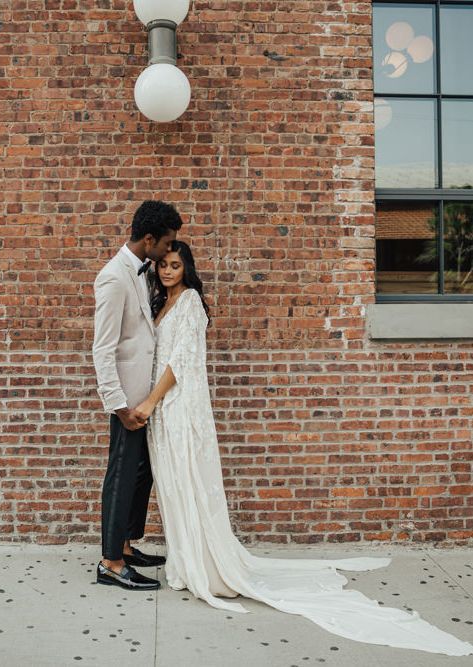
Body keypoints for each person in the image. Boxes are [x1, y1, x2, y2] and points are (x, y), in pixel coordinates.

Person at [133, 240, 473, 656]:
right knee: (170, 483)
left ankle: (205, 566)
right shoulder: (159, 304)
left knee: (188, 479)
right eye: (163, 265)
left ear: (187, 268)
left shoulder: (190, 304)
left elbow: (180, 363)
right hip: (161, 411)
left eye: (175, 264)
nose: (168, 271)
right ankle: (183, 561)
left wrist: (151, 400)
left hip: (179, 406)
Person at [92, 200, 183, 591]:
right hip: (127, 401)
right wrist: (119, 405)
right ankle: (111, 562)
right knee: (121, 478)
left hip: (145, 400)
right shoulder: (114, 278)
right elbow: (103, 348)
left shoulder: (140, 273)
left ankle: (127, 546)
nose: (168, 252)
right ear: (149, 240)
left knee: (139, 477)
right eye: (166, 244)